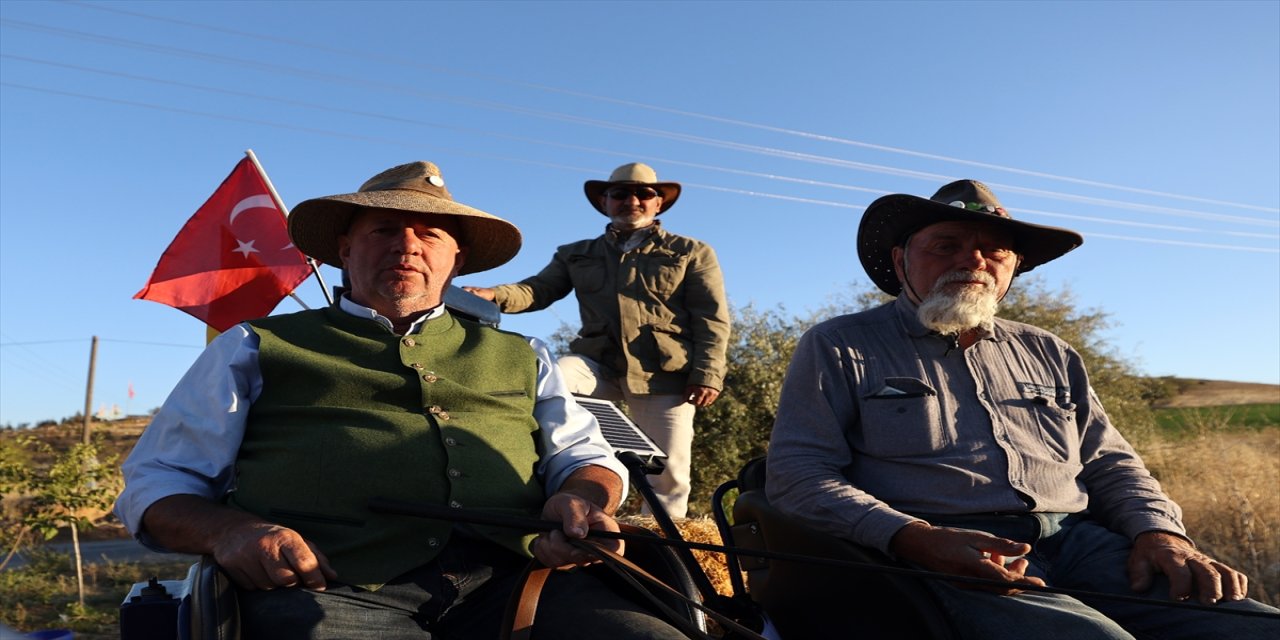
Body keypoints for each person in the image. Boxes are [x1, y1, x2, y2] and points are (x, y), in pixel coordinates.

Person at [115, 161, 687, 639]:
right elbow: (158, 482)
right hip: (329, 591)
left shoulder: (525, 353)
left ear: (456, 260)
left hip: (522, 582)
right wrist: (229, 533)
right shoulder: (254, 345)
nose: (408, 245)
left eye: (430, 233)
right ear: (344, 250)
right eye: (384, 230)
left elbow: (584, 457)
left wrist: (585, 499)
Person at [765, 179, 1279, 638]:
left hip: (1084, 546)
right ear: (901, 260)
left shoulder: (1051, 351)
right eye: (947, 246)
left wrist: (1160, 533)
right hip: (948, 554)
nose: (973, 262)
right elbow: (797, 475)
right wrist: (912, 537)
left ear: (1013, 270)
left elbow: (1110, 463)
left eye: (995, 251)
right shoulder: (839, 345)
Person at [464, 162, 730, 518]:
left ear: (658, 203)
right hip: (597, 365)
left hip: (664, 376)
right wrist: (494, 294)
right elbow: (538, 290)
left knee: (668, 476)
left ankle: (665, 555)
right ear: (605, 202)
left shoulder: (690, 252)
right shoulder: (576, 253)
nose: (631, 200)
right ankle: (561, 498)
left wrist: (707, 373)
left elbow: (711, 317)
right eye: (619, 193)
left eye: (643, 193)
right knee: (555, 375)